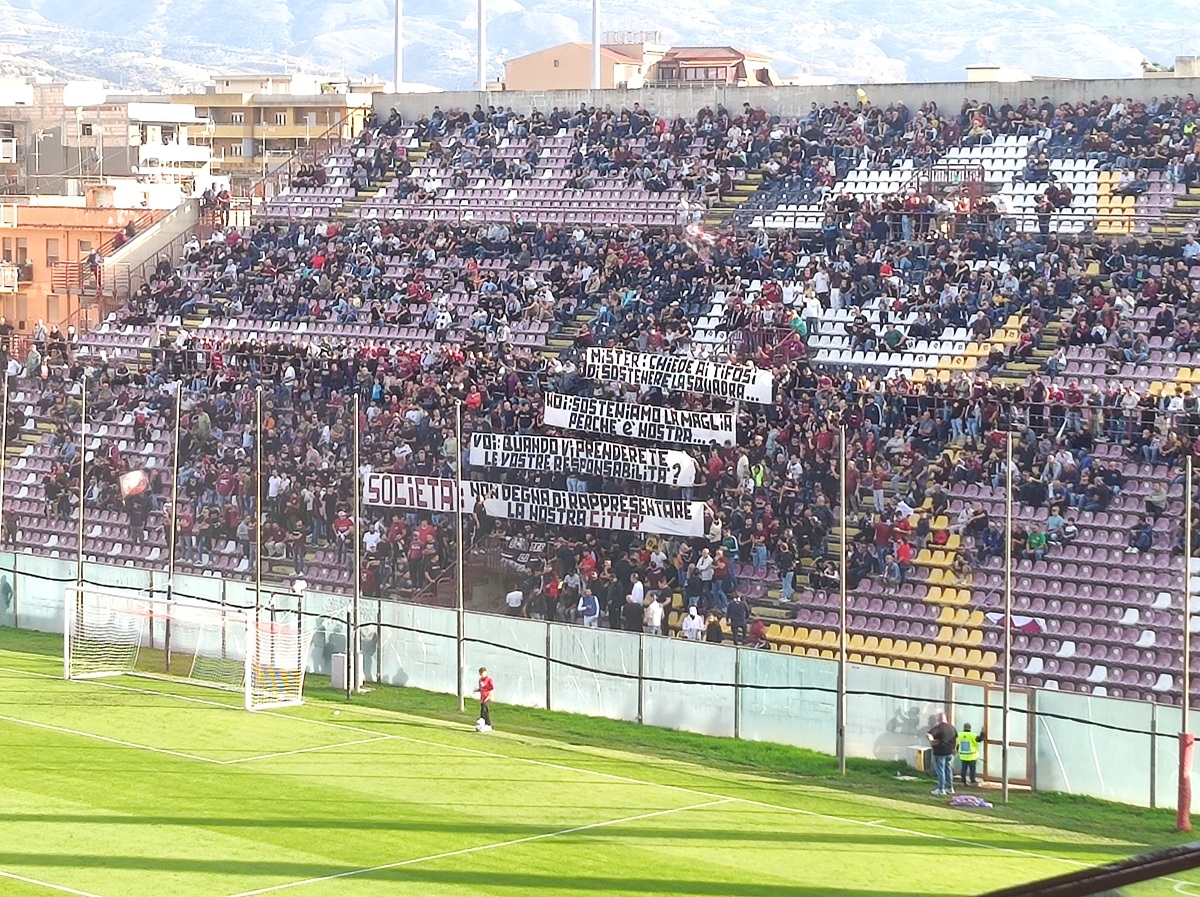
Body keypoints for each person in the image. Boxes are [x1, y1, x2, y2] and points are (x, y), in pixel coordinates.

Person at [927, 711, 957, 796]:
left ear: (938, 719)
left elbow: (929, 734)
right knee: (948, 769)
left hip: (939, 752)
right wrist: (954, 749)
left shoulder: (938, 728)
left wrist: (932, 741)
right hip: (949, 752)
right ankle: (950, 788)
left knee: (940, 770)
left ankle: (941, 789)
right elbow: (956, 738)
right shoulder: (952, 728)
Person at [957, 722, 985, 787]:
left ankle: (963, 781)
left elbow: (957, 743)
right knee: (972, 769)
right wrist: (982, 732)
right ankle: (972, 781)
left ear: (964, 728)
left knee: (963, 769)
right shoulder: (973, 735)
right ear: (970, 728)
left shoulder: (959, 735)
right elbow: (980, 739)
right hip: (972, 756)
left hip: (963, 755)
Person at [474, 666, 494, 733]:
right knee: (484, 710)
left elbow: (491, 689)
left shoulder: (489, 680)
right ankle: (485, 724)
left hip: (488, 697)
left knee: (484, 709)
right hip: (483, 697)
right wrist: (478, 690)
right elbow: (482, 688)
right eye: (481, 673)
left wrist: (489, 697)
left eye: (483, 673)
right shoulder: (480, 680)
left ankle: (486, 724)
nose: (482, 675)